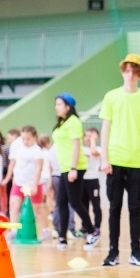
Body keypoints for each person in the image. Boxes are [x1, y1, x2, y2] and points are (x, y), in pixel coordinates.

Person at [99, 53, 140, 267]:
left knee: (135, 208)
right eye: (127, 70)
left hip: (137, 162)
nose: (130, 74)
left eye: (134, 70)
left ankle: (136, 252)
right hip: (114, 160)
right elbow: (105, 128)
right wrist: (104, 158)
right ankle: (112, 252)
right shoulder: (111, 97)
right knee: (114, 208)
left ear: (139, 73)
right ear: (123, 71)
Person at [51, 93, 98, 250]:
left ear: (68, 107)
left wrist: (73, 168)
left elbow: (76, 146)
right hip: (64, 167)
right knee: (61, 203)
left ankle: (92, 232)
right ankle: (62, 237)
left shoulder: (74, 122)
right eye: (56, 104)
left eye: (59, 104)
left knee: (75, 202)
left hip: (75, 167)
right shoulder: (62, 123)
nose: (56, 107)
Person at [2, 125, 44, 236]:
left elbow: (39, 168)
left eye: (28, 139)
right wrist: (9, 178)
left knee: (37, 209)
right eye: (23, 138)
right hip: (19, 182)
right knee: (14, 206)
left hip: (32, 183)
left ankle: (46, 230)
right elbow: (14, 163)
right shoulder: (19, 148)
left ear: (34, 137)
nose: (25, 141)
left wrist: (35, 185)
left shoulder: (37, 151)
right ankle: (14, 231)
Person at [81, 127, 102, 241]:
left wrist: (93, 140)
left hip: (93, 180)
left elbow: (93, 152)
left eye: (91, 136)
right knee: (83, 206)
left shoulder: (98, 149)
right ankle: (85, 227)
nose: (88, 138)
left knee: (96, 205)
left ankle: (97, 227)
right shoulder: (81, 149)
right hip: (82, 180)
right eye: (87, 136)